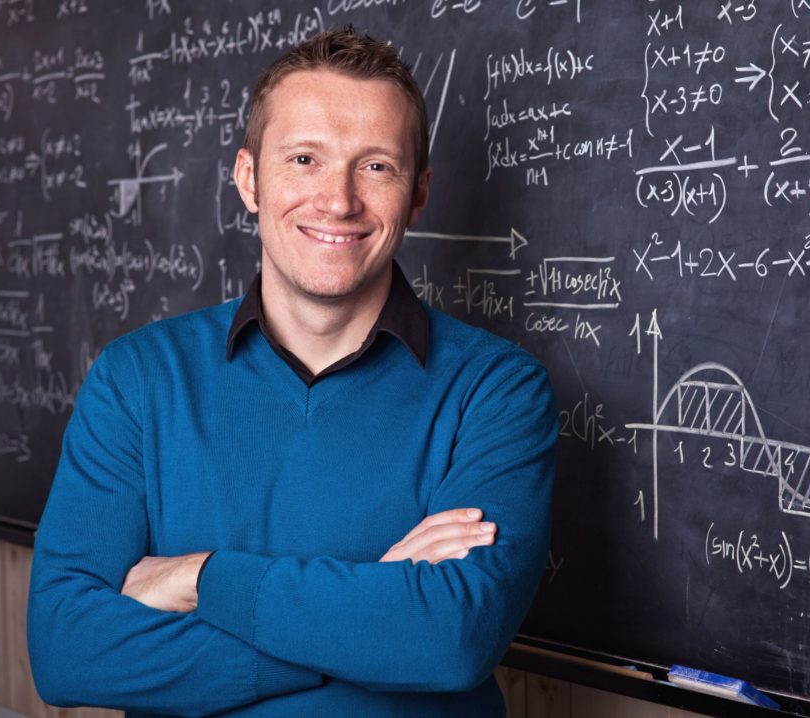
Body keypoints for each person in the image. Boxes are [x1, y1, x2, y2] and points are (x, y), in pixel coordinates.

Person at [27, 28, 557, 717]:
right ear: (249, 178)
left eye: (376, 167)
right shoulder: (137, 380)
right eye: (305, 159)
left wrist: (200, 578)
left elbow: (452, 639)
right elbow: (67, 650)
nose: (338, 200)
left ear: (418, 193)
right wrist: (371, 618)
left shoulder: (498, 392)